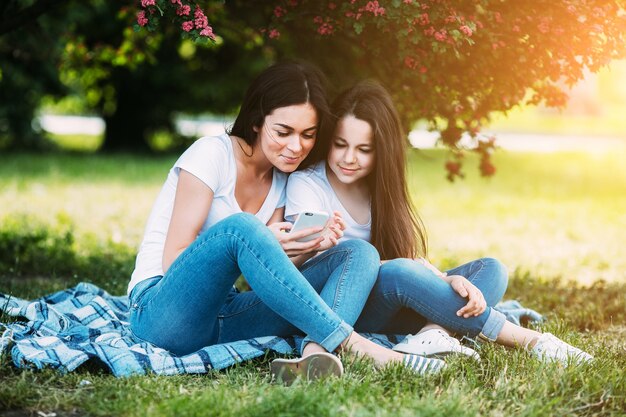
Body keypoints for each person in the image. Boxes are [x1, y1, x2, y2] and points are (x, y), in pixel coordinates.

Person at [127, 63, 445, 384]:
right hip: (161, 311)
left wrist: (309, 248)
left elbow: (267, 281)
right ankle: (351, 344)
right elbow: (173, 260)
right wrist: (258, 239)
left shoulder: (282, 177)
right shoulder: (210, 155)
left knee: (357, 252)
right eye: (283, 132)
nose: (296, 147)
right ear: (256, 121)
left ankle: (317, 355)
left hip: (225, 316)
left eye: (308, 135)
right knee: (243, 227)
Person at [285, 81, 593, 365]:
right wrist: (428, 275)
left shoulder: (380, 189)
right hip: (340, 308)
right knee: (399, 271)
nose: (349, 158)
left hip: (392, 299)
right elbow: (309, 268)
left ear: (382, 152)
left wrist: (444, 279)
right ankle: (532, 342)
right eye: (341, 144)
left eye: (364, 149)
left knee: (490, 271)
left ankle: (432, 333)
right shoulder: (307, 184)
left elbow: (405, 259)